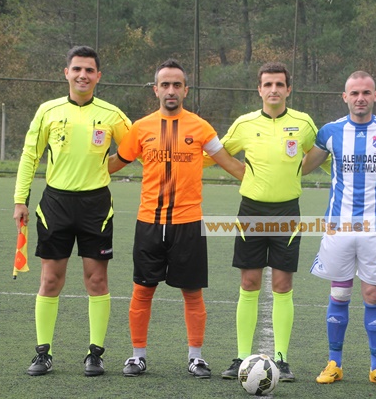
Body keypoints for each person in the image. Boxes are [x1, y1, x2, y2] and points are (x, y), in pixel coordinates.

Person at [108, 59, 245, 378]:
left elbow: (229, 163)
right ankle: (137, 356)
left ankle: (196, 357)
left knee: (192, 293)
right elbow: (116, 163)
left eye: (177, 85)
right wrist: (81, 168)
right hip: (149, 223)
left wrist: (267, 183)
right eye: (165, 85)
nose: (171, 90)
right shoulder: (140, 128)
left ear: (186, 90)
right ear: (155, 90)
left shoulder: (201, 127)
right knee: (142, 291)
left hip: (189, 224)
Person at [13, 45, 132, 377]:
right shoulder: (48, 111)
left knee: (97, 279)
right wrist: (20, 200)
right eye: (77, 69)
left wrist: (108, 166)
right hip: (56, 205)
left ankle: (95, 354)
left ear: (98, 76)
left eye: (89, 70)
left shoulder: (112, 114)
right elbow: (29, 155)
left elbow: (133, 146)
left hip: (96, 206)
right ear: (66, 73)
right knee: (50, 279)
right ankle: (43, 353)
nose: (83, 75)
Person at [301, 71, 376, 387]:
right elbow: (302, 167)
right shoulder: (330, 132)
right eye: (354, 93)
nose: (360, 98)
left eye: (366, 92)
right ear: (345, 97)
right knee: (339, 292)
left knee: (373, 294)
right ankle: (334, 363)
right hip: (339, 226)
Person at [217, 62, 320, 383]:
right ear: (259, 90)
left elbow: (318, 152)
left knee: (282, 285)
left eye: (279, 84)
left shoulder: (303, 123)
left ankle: (282, 359)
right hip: (251, 211)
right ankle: (241, 357)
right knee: (249, 283)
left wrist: (297, 172)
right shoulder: (245, 123)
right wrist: (242, 173)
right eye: (268, 84)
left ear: (288, 89)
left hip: (287, 212)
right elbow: (219, 151)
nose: (273, 89)